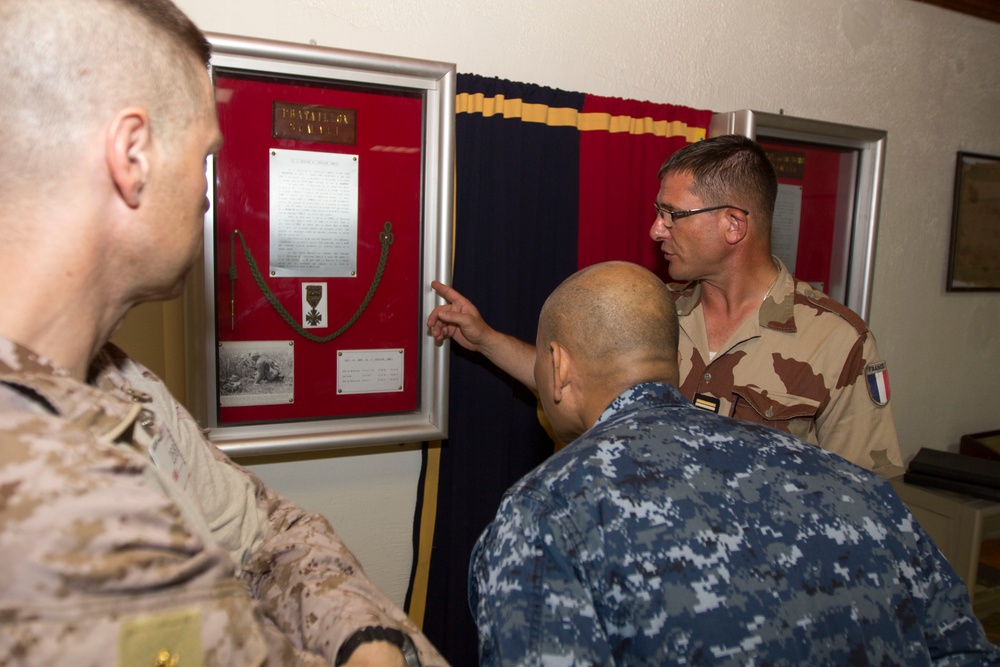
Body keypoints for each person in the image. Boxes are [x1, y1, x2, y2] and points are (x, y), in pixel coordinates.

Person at [0, 2, 445, 666]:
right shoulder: (54, 511)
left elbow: (270, 530)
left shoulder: (124, 387)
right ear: (133, 156)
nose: (209, 190)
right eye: (205, 155)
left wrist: (365, 639)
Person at [469, 261, 999, 666]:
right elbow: (965, 651)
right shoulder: (851, 485)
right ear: (674, 357)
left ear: (557, 366)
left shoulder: (548, 513)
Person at [428, 135, 902, 477]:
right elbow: (570, 385)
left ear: (734, 225)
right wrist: (485, 338)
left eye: (672, 214)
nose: (657, 230)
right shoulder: (653, 309)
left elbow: (867, 501)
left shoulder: (838, 343)